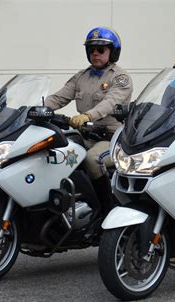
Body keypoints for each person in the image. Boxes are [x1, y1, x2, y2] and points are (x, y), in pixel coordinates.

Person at [45, 27, 133, 213]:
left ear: (112, 52)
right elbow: (59, 97)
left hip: (110, 139)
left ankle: (105, 210)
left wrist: (87, 116)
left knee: (93, 160)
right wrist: (33, 108)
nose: (95, 53)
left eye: (101, 50)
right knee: (53, 151)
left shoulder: (120, 78)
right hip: (84, 135)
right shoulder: (81, 76)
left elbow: (110, 102)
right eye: (91, 49)